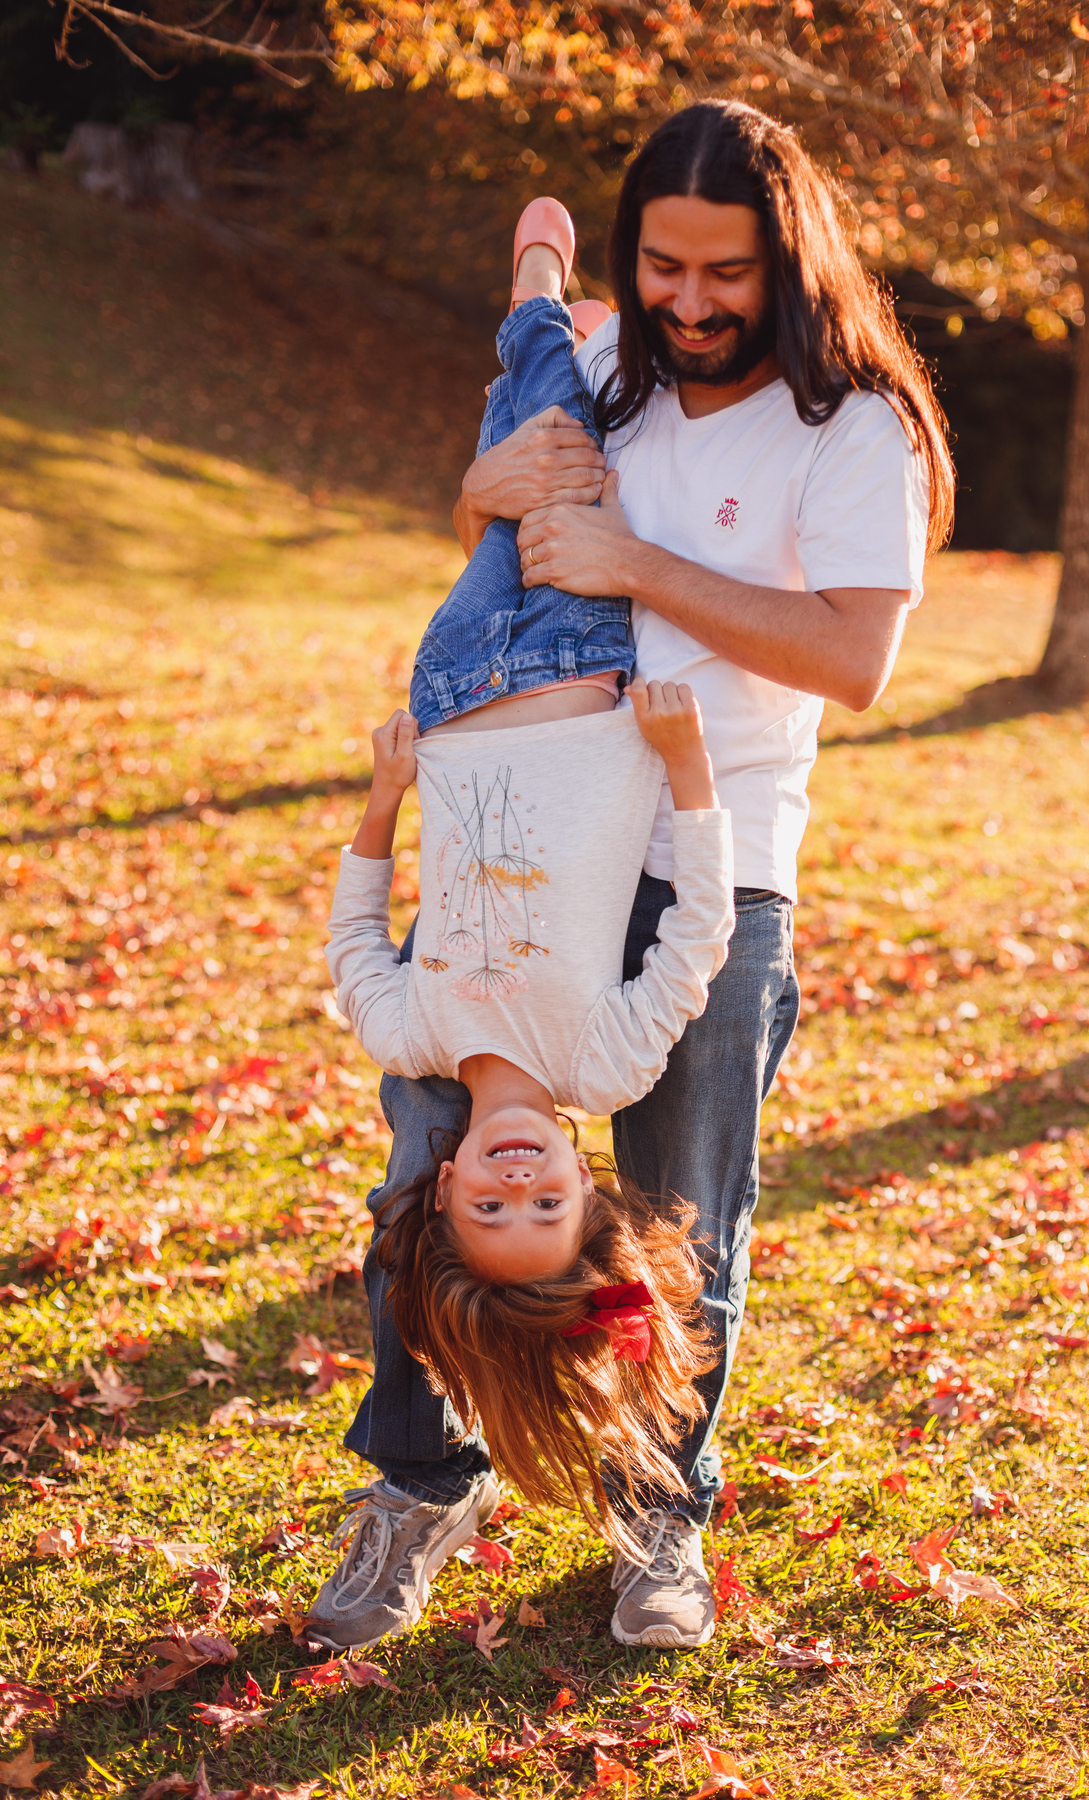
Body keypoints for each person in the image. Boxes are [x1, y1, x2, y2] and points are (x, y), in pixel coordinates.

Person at [311, 98, 955, 1655]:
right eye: (660, 266)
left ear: (786, 261)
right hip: (519, 842)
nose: (686, 303)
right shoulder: (607, 363)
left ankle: (660, 1504)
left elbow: (854, 660)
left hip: (709, 860)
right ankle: (421, 1480)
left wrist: (639, 567)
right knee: (425, 1179)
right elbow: (490, 520)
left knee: (681, 1212)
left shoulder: (853, 426)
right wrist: (485, 491)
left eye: (721, 274)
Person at [307, 199, 737, 1648]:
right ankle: (547, 307)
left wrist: (378, 800)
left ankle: (547, 306)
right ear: (582, 1189)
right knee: (559, 441)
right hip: (574, 673)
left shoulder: (416, 1033)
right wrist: (685, 779)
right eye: (541, 1205)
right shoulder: (602, 1071)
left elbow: (356, 942)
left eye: (483, 1209)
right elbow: (694, 941)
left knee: (535, 452)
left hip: (451, 688)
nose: (508, 1182)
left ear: (438, 1197)